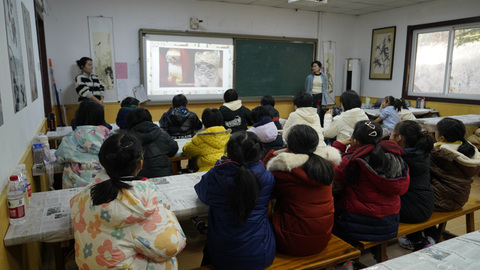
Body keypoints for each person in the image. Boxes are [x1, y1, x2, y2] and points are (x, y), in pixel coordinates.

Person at [70, 132, 186, 269]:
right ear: (140, 164)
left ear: (103, 162)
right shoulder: (143, 200)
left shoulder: (83, 196)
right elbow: (170, 246)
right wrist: (169, 214)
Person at [194, 131, 276, 270]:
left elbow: (202, 193)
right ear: (258, 154)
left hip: (223, 256)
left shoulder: (217, 176)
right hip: (262, 253)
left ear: (229, 153)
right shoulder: (268, 177)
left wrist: (220, 165)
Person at [264, 124, 341, 256]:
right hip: (323, 238)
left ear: (288, 147)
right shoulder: (327, 166)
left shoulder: (284, 171)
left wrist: (272, 153)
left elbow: (263, 174)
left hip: (290, 242)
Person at [332, 120, 410, 242]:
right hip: (390, 223)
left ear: (355, 141)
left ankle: (346, 260)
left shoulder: (352, 160)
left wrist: (338, 146)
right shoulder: (394, 156)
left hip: (359, 224)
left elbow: (334, 172)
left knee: (332, 213)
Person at [390, 121, 435, 251]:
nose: (390, 136)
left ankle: (418, 241)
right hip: (428, 203)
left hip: (412, 211)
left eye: (391, 134)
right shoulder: (422, 152)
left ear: (399, 137)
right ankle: (430, 236)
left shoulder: (401, 157)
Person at [55, 99, 111, 189]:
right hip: (104, 187)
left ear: (78, 117)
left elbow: (59, 157)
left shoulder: (70, 138)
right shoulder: (109, 138)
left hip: (76, 189)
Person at [430, 117, 480, 212]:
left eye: (435, 131)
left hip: (441, 200)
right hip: (461, 198)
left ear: (442, 138)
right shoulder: (469, 148)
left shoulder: (438, 152)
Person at [127, 107, 178, 178]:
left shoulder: (127, 139)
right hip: (164, 176)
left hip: (138, 181)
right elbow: (174, 149)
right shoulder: (162, 133)